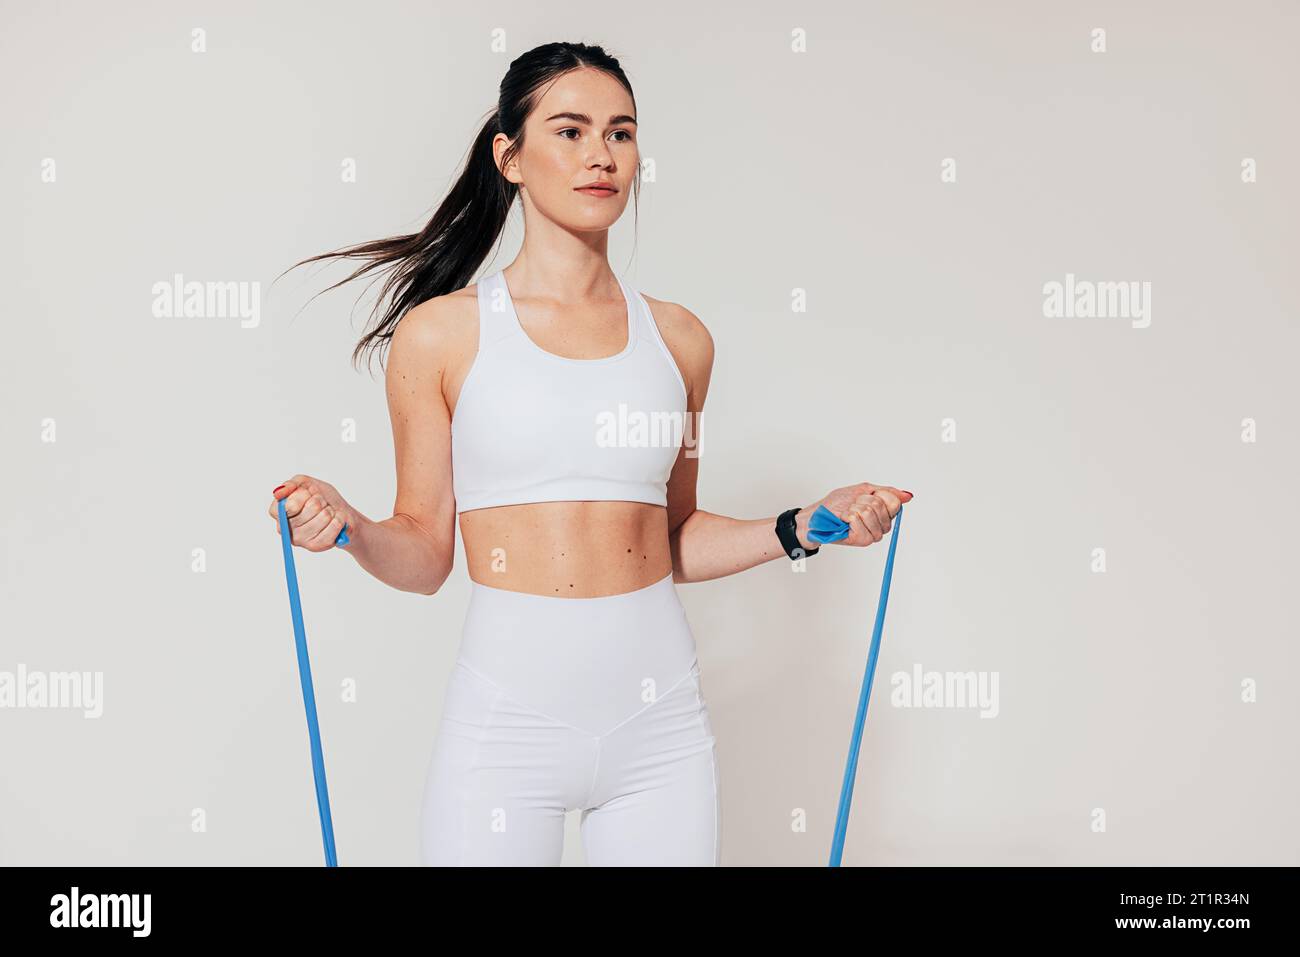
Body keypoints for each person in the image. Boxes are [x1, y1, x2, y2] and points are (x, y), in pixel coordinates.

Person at [267, 40, 912, 866]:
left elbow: (673, 536)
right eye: (569, 132)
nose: (601, 155)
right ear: (511, 155)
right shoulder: (441, 335)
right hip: (506, 726)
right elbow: (426, 552)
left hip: (661, 730)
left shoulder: (680, 341)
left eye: (621, 132)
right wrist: (348, 524)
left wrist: (801, 525)